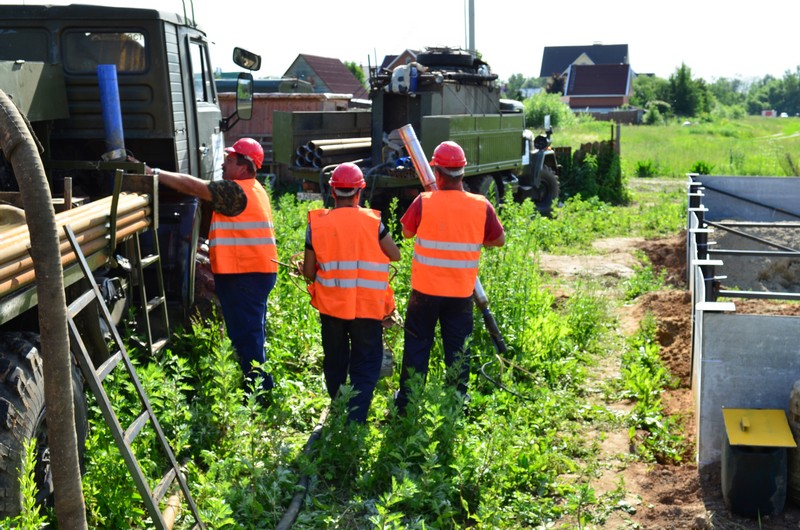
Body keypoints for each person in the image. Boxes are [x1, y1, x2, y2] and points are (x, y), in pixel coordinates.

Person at [144, 137, 278, 400]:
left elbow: (194, 186)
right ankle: (260, 386)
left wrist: (154, 174)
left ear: (244, 167)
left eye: (229, 161)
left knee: (246, 336)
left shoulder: (235, 191)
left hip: (246, 275)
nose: (223, 165)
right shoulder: (253, 189)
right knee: (250, 333)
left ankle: (258, 395)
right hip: (252, 273)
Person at [394, 140, 505, 414]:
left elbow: (406, 233)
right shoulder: (481, 205)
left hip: (424, 293)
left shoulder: (424, 201)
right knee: (458, 351)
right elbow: (498, 240)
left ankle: (408, 404)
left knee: (417, 347)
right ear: (463, 173)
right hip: (460, 294)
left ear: (438, 174)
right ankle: (457, 402)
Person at [303, 163, 401, 423]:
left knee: (335, 359)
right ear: (360, 192)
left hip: (332, 307)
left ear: (333, 192)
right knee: (366, 361)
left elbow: (309, 272)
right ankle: (356, 417)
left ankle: (337, 407)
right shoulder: (373, 221)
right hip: (367, 307)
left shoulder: (317, 224)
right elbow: (395, 255)